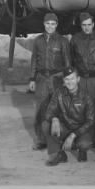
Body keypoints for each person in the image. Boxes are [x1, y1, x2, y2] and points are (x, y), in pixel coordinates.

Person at [29, 12, 71, 150]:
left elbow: (67, 63)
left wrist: (66, 80)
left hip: (57, 79)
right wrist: (32, 79)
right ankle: (41, 140)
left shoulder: (63, 41)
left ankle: (58, 138)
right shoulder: (38, 41)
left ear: (56, 25)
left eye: (53, 24)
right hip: (41, 79)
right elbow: (34, 60)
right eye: (48, 23)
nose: (50, 26)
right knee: (40, 109)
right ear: (44, 24)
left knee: (58, 109)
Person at [42, 67, 95, 166]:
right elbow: (49, 111)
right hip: (65, 127)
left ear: (78, 79)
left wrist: (73, 135)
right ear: (63, 81)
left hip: (81, 130)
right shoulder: (59, 93)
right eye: (66, 79)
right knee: (46, 125)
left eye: (72, 78)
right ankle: (59, 154)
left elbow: (91, 121)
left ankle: (81, 150)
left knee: (84, 144)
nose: (69, 82)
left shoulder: (86, 96)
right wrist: (54, 119)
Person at [69, 12, 95, 137]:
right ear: (80, 25)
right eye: (84, 25)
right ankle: (81, 135)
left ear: (93, 24)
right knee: (80, 106)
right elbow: (71, 59)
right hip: (81, 78)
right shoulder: (75, 39)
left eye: (89, 24)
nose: (87, 27)